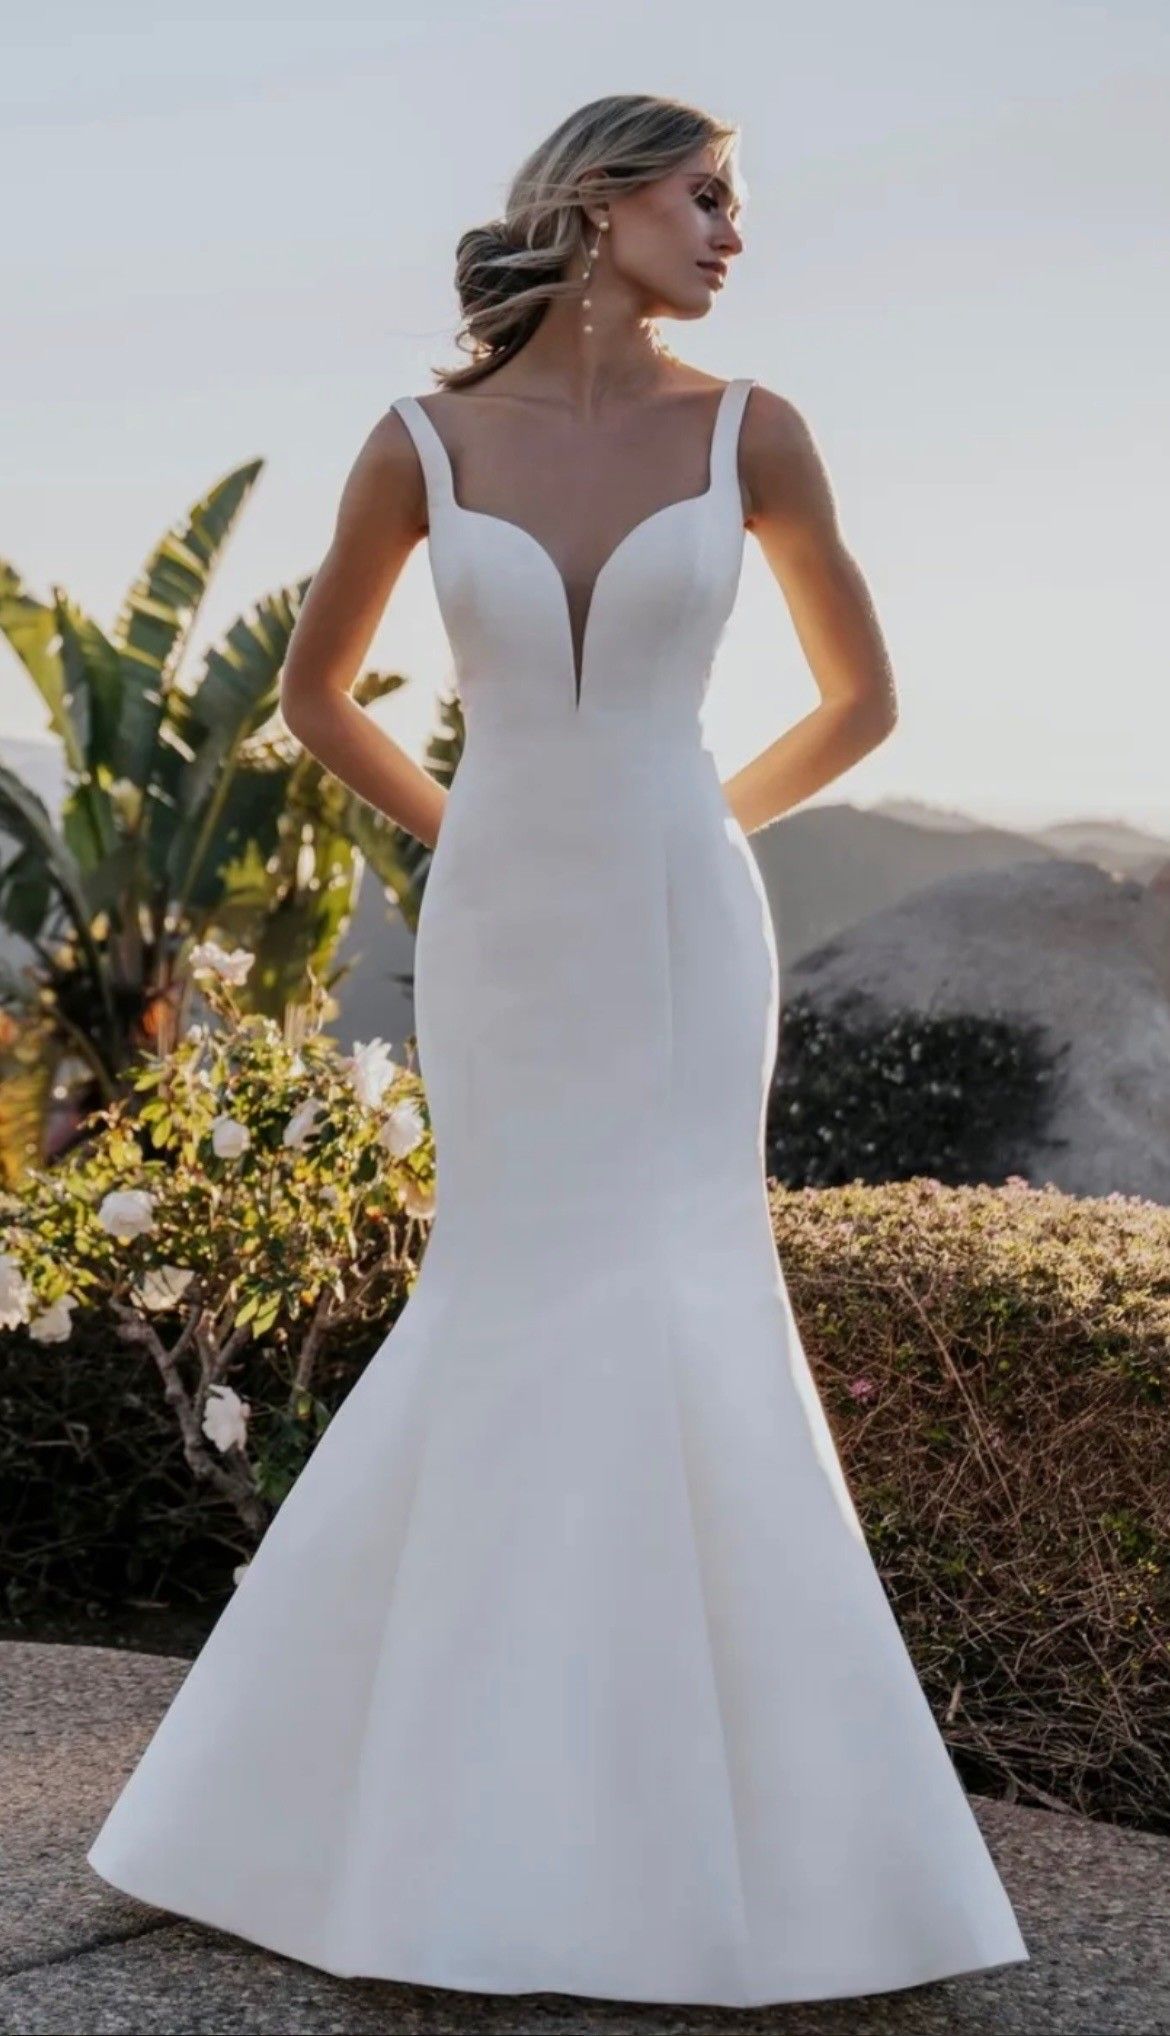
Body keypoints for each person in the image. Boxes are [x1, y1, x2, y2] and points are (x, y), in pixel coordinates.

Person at [86, 92, 1030, 2007]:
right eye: (706, 196)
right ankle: (419, 1805)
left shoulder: (751, 428)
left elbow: (862, 701)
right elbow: (311, 692)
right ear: (600, 208)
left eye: (733, 201)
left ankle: (726, 1831)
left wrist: (688, 821)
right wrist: (474, 834)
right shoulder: (416, 443)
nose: (732, 232)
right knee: (508, 1295)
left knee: (683, 1295)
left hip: (685, 926)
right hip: (507, 936)